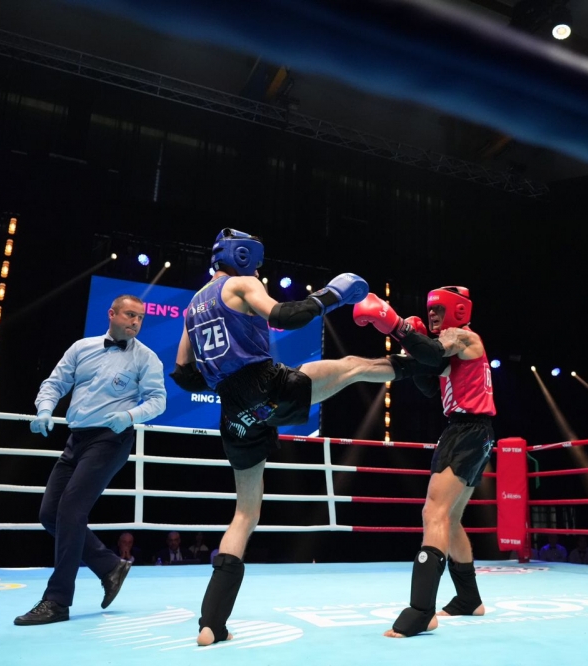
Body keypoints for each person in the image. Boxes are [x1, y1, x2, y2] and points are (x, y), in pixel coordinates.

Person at [169, 228, 436, 646]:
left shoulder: (192, 307)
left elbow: (183, 374)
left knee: (244, 514)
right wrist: (334, 294)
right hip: (267, 386)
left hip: (234, 414)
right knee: (352, 367)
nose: (258, 270)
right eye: (256, 262)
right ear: (243, 257)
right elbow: (283, 316)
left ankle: (211, 624)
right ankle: (428, 363)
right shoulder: (240, 285)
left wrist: (226, 375)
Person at [13, 294, 166, 626]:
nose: (136, 322)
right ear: (112, 314)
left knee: (71, 509)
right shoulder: (82, 348)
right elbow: (55, 383)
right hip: (76, 439)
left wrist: (129, 415)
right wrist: (44, 410)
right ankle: (110, 566)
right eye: (130, 315)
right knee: (50, 514)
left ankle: (57, 601)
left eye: (140, 317)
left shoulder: (147, 358)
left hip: (111, 439)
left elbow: (158, 401)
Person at [352, 286, 495, 639]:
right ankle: (469, 598)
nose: (431, 314)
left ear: (457, 310)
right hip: (473, 432)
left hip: (466, 432)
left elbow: (431, 353)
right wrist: (408, 342)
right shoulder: (452, 348)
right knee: (451, 517)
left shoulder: (461, 337)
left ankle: (421, 611)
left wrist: (396, 325)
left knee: (433, 512)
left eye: (438, 309)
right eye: (429, 309)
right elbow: (430, 384)